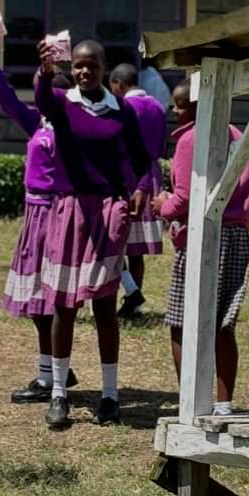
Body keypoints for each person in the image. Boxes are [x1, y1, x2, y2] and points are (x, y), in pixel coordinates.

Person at [35, 38, 152, 430]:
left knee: (104, 306)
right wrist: (46, 71)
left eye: (93, 66)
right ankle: (58, 395)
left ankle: (109, 395)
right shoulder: (63, 102)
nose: (85, 71)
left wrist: (138, 187)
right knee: (64, 306)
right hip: (69, 211)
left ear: (104, 69)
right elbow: (42, 100)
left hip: (107, 211)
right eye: (80, 66)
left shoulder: (121, 111)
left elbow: (142, 159)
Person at [151, 80, 249, 416]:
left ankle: (191, 402)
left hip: (203, 235)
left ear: (197, 107)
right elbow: (248, 184)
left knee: (182, 322)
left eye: (180, 105)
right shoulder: (237, 135)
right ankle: (224, 404)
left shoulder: (189, 140)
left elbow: (183, 198)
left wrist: (161, 206)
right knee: (223, 322)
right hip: (237, 234)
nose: (174, 111)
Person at [0, 35, 78, 404]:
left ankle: (50, 374)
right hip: (34, 214)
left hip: (59, 213)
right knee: (38, 302)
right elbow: (7, 100)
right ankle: (54, 369)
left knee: (51, 301)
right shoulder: (37, 123)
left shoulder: (76, 127)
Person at [109, 63, 167, 317]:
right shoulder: (157, 106)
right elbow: (162, 145)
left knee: (112, 240)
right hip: (150, 176)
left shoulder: (122, 107)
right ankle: (134, 297)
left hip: (127, 176)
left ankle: (123, 293)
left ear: (118, 84)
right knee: (136, 250)